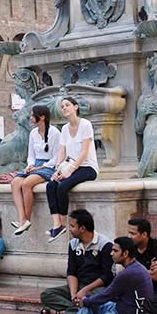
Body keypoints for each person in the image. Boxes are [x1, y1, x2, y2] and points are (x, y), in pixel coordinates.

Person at [22, 237, 153, 314]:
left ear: (125, 254)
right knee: (90, 307)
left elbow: (107, 295)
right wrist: (87, 302)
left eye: (115, 251)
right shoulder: (136, 268)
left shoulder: (129, 273)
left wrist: (85, 301)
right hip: (118, 309)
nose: (111, 253)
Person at [38, 209, 114, 314]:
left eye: (72, 226)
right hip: (79, 285)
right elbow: (72, 271)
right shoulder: (73, 244)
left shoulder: (105, 244)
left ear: (82, 228)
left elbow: (107, 276)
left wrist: (85, 291)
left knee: (92, 299)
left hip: (96, 288)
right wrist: (74, 294)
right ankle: (77, 309)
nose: (70, 229)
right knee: (47, 294)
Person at [45, 97, 99, 242]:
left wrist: (70, 171)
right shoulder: (64, 128)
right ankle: (57, 224)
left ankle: (63, 223)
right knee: (51, 185)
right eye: (62, 106)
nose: (64, 108)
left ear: (75, 107)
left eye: (67, 105)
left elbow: (85, 152)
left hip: (87, 167)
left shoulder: (85, 124)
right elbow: (62, 150)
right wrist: (57, 170)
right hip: (69, 166)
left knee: (62, 187)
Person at [10, 104, 61, 235]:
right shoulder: (33, 133)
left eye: (33, 115)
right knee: (15, 182)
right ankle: (22, 219)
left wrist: (41, 166)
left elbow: (57, 156)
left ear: (42, 117)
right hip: (35, 164)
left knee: (27, 183)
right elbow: (31, 155)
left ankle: (27, 219)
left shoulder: (54, 133)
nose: (31, 118)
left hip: (49, 166)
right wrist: (30, 166)